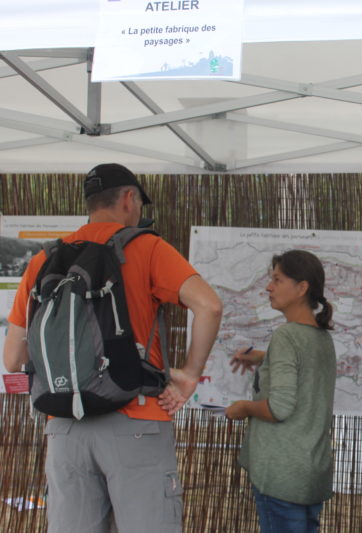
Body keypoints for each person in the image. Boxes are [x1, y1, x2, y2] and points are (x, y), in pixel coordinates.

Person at [2, 163, 223, 533]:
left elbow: (12, 359)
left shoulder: (44, 260)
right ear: (128, 198)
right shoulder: (146, 247)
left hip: (65, 426)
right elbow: (209, 305)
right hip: (135, 417)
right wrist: (189, 374)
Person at [225, 249, 336, 533]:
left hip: (281, 472)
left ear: (301, 288)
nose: (268, 287)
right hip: (310, 472)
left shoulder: (287, 336)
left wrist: (243, 408)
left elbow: (279, 408)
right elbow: (304, 370)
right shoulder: (320, 338)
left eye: (277, 279)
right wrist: (264, 358)